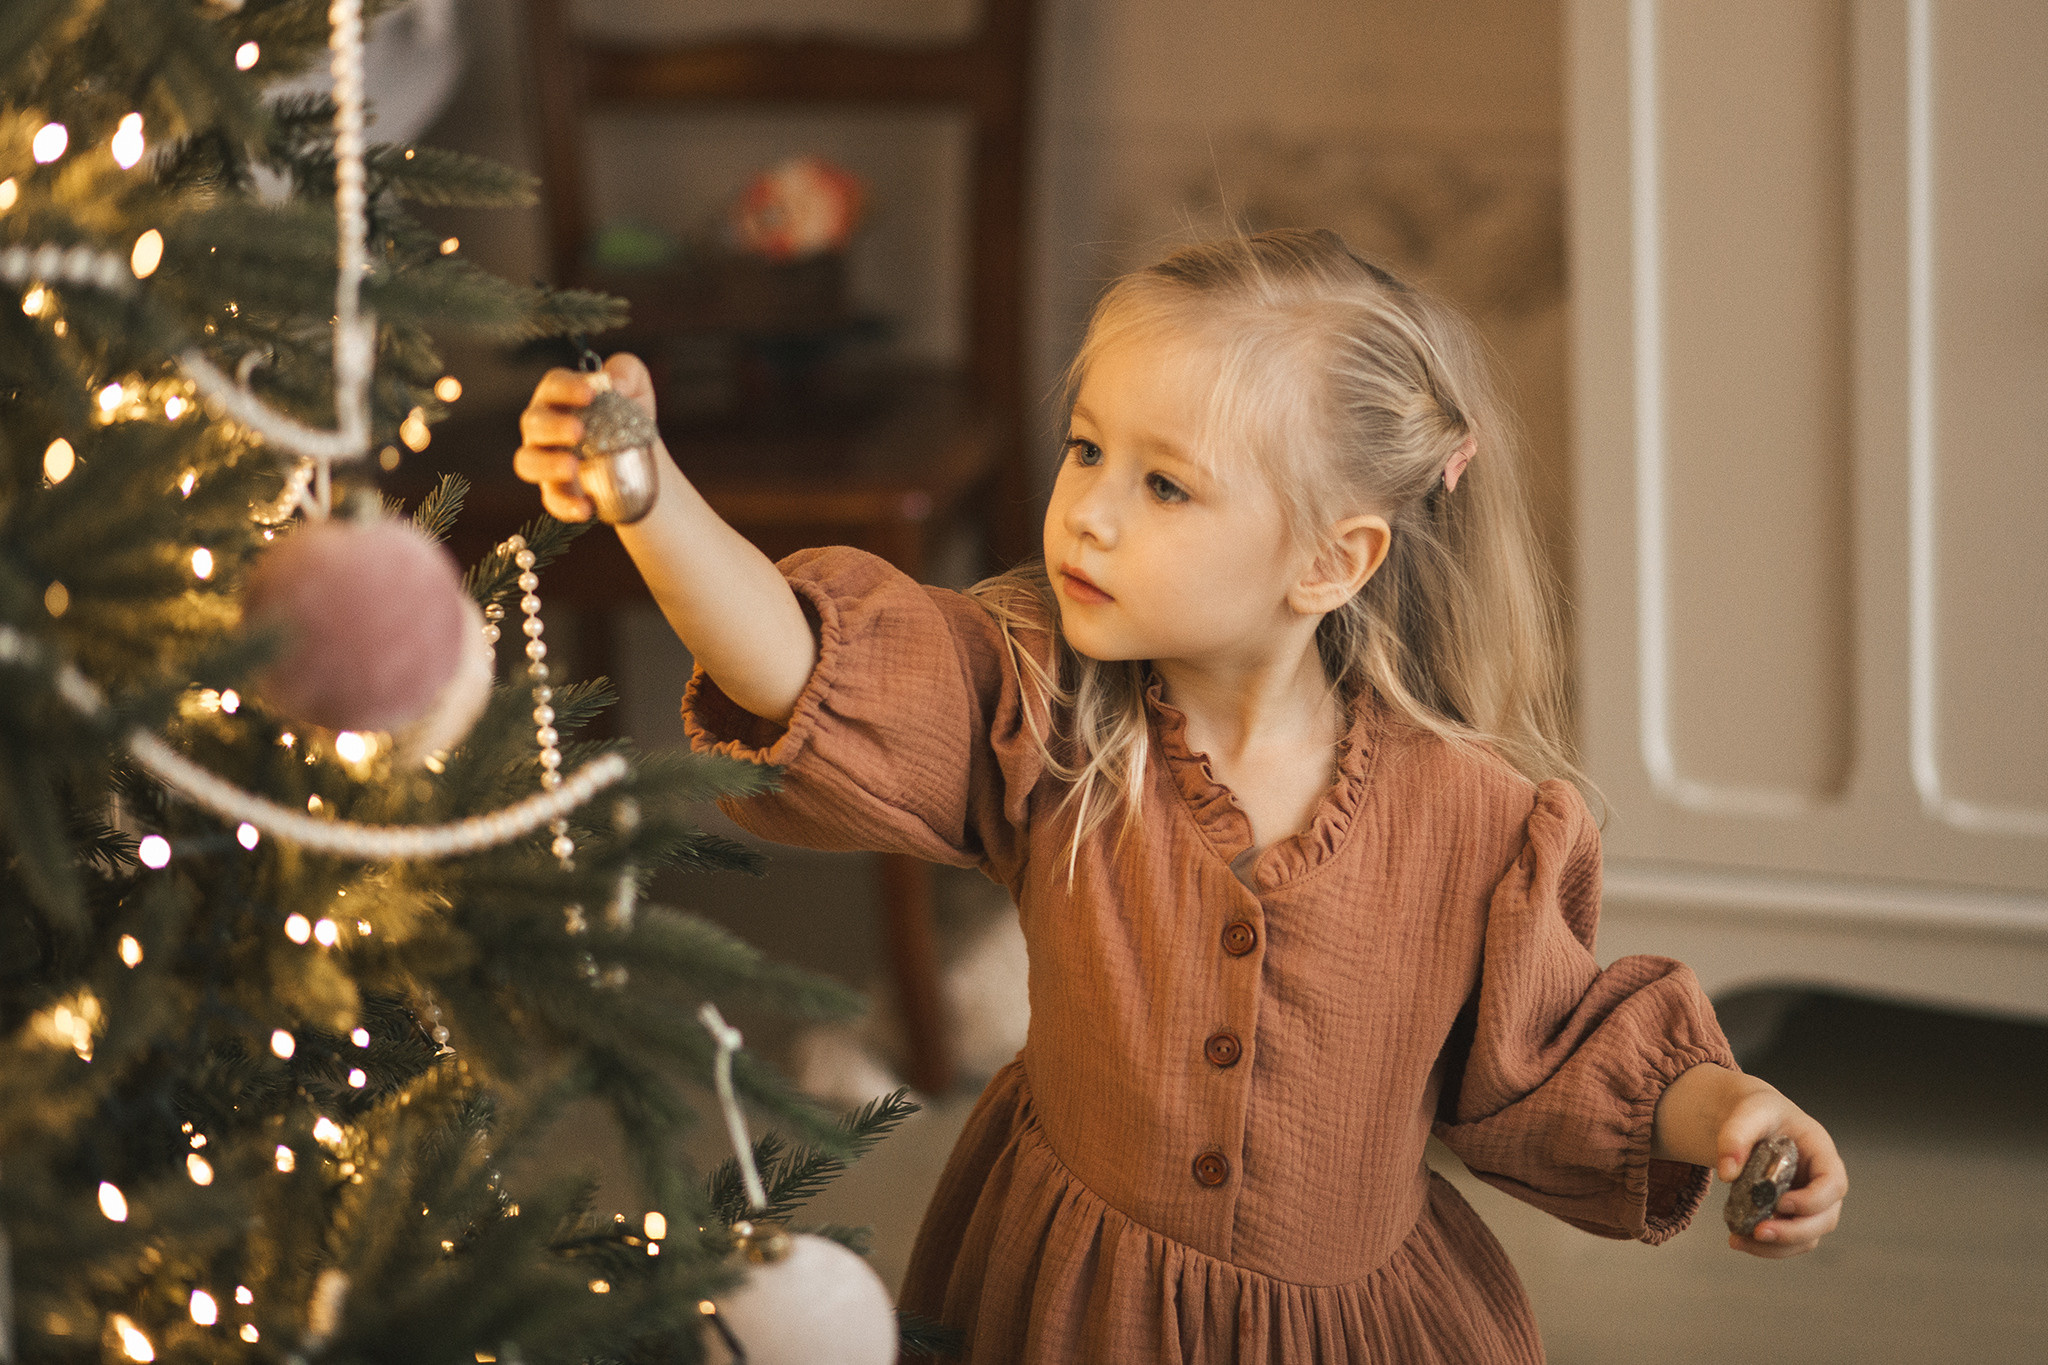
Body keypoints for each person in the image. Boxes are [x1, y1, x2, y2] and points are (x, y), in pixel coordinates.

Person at [515, 229, 1848, 1362]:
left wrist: (1731, 1112)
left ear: (1335, 558)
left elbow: (1559, 1054)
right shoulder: (1050, 714)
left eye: (1163, 483)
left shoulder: (1481, 820)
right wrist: (649, 498)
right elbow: (809, 665)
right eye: (1086, 449)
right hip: (1071, 1299)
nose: (1087, 511)